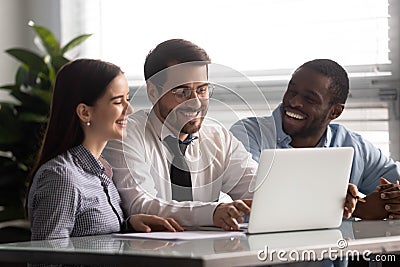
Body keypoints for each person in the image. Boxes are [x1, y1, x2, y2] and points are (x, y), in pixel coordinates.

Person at [103, 39, 257, 231]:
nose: (195, 102)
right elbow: (140, 204)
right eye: (182, 91)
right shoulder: (126, 135)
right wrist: (212, 213)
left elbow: (256, 189)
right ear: (152, 92)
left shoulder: (219, 137)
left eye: (202, 90)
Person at [27, 59, 183, 240]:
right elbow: (47, 258)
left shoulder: (101, 171)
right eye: (118, 102)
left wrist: (129, 225)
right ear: (85, 112)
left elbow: (87, 232)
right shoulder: (61, 177)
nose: (129, 109)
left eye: (128, 99)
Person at [230, 58, 400, 220]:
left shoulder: (353, 146)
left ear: (335, 112)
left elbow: (394, 180)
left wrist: (392, 200)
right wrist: (355, 208)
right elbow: (257, 193)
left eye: (309, 99)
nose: (294, 102)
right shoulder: (249, 133)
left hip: (336, 248)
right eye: (292, 91)